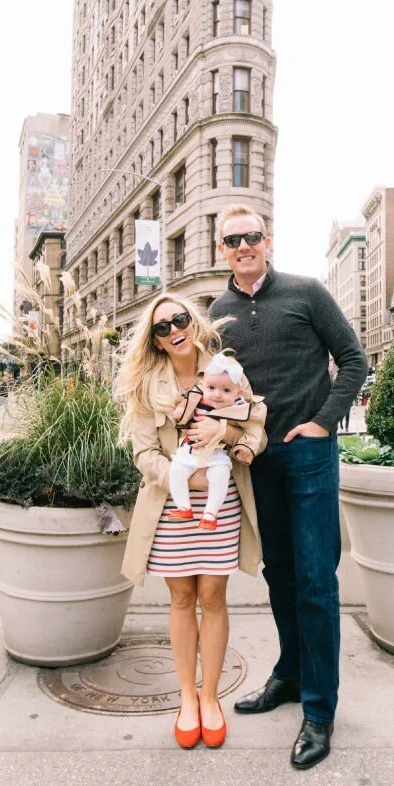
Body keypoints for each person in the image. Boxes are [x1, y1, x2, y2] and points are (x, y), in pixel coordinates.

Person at [210, 204, 368, 771]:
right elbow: (218, 385)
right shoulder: (219, 312)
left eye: (251, 236)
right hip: (256, 458)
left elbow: (353, 360)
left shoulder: (307, 292)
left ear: (267, 240)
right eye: (233, 240)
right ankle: (291, 674)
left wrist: (323, 421)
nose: (243, 246)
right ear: (222, 250)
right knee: (279, 571)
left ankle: (320, 711)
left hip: (309, 456)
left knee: (316, 581)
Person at [114, 293, 266, 751]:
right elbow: (144, 453)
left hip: (220, 506)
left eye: (179, 319)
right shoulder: (148, 384)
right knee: (182, 598)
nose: (174, 330)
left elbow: (256, 427)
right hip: (171, 507)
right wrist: (185, 478)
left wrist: (226, 432)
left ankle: (210, 697)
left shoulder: (225, 369)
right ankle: (187, 698)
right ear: (156, 341)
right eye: (162, 327)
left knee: (213, 597)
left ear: (193, 322)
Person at [168, 353, 264, 530]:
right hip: (190, 450)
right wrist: (181, 410)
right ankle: (183, 507)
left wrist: (243, 445)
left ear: (237, 393)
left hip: (216, 454)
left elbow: (255, 431)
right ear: (203, 385)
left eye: (226, 391)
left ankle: (210, 514)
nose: (217, 395)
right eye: (211, 388)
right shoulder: (197, 397)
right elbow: (186, 403)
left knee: (220, 475)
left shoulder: (240, 408)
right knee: (176, 470)